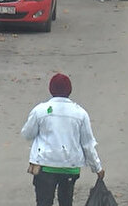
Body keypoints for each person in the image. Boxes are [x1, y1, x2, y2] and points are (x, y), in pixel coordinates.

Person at [21, 73, 105, 206]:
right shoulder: (80, 113)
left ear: (51, 89)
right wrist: (97, 167)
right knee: (66, 201)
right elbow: (87, 144)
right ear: (69, 90)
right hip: (69, 167)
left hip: (44, 165)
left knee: (43, 202)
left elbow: (27, 134)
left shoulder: (40, 110)